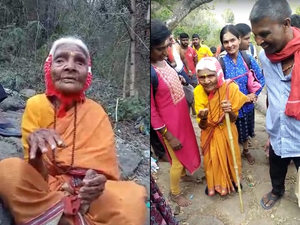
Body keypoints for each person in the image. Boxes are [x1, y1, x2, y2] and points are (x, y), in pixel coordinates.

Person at [0, 37, 147, 225]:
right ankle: (67, 219)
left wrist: (96, 182)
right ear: (49, 68)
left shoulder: (96, 111)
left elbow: (107, 173)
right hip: (47, 185)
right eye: (61, 60)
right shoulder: (35, 105)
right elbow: (36, 171)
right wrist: (35, 151)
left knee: (133, 196)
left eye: (79, 61)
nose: (70, 67)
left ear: (87, 73)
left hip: (91, 196)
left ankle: (57, 218)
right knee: (8, 169)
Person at [250, 0, 300, 210]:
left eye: (264, 34)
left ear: (286, 24)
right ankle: (277, 190)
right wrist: (271, 130)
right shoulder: (264, 56)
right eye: (255, 35)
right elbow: (272, 92)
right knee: (276, 165)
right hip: (278, 128)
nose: (259, 41)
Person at [151, 20, 201, 207]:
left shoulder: (163, 61)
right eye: (159, 48)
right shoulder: (150, 72)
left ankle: (183, 176)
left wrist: (177, 78)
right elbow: (153, 111)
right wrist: (168, 135)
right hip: (169, 126)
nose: (165, 52)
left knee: (185, 150)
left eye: (167, 46)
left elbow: (167, 85)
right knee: (177, 161)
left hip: (182, 119)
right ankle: (174, 193)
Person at [194, 57, 250, 196]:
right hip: (209, 134)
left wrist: (230, 110)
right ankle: (215, 184)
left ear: (218, 74)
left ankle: (234, 181)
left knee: (232, 156)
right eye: (202, 77)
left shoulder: (229, 88)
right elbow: (202, 126)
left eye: (211, 76)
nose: (206, 81)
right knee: (211, 161)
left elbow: (234, 119)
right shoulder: (197, 92)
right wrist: (204, 118)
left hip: (228, 130)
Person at [219, 25, 265, 165]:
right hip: (231, 109)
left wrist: (254, 94)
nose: (230, 45)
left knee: (245, 131)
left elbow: (261, 79)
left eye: (232, 40)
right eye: (226, 42)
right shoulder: (220, 63)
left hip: (247, 107)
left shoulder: (247, 58)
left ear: (239, 39)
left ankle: (245, 150)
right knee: (231, 133)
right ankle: (234, 155)